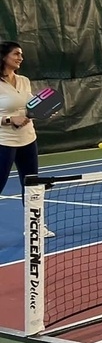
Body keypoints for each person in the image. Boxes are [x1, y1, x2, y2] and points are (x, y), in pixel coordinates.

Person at [0, 41, 52, 236]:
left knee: (32, 185)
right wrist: (8, 119)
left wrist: (44, 110)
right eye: (16, 54)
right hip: (4, 142)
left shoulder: (24, 81)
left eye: (21, 54)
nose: (20, 57)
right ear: (4, 57)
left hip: (28, 139)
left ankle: (35, 226)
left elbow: (31, 106)